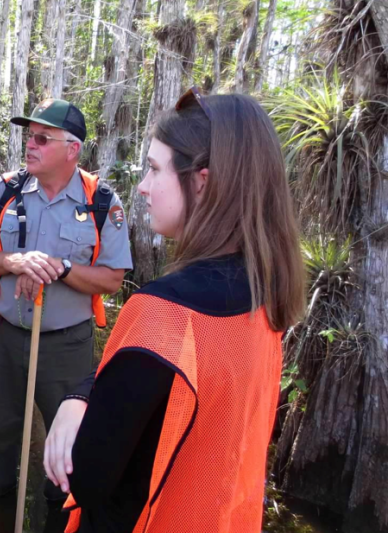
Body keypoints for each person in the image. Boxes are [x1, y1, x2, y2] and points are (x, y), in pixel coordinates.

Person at [43, 89, 305, 533]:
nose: (143, 186)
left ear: (202, 182)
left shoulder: (163, 314)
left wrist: (73, 406)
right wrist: (81, 395)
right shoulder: (268, 292)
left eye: (155, 168)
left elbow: (85, 478)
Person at [0, 98, 133, 532]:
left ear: (72, 149)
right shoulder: (6, 188)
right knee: (0, 436)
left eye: (43, 138)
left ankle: (57, 516)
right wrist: (16, 262)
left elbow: (113, 279)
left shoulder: (103, 203)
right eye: (29, 136)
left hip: (67, 345)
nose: (31, 145)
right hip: (5, 338)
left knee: (65, 447)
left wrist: (60, 268)